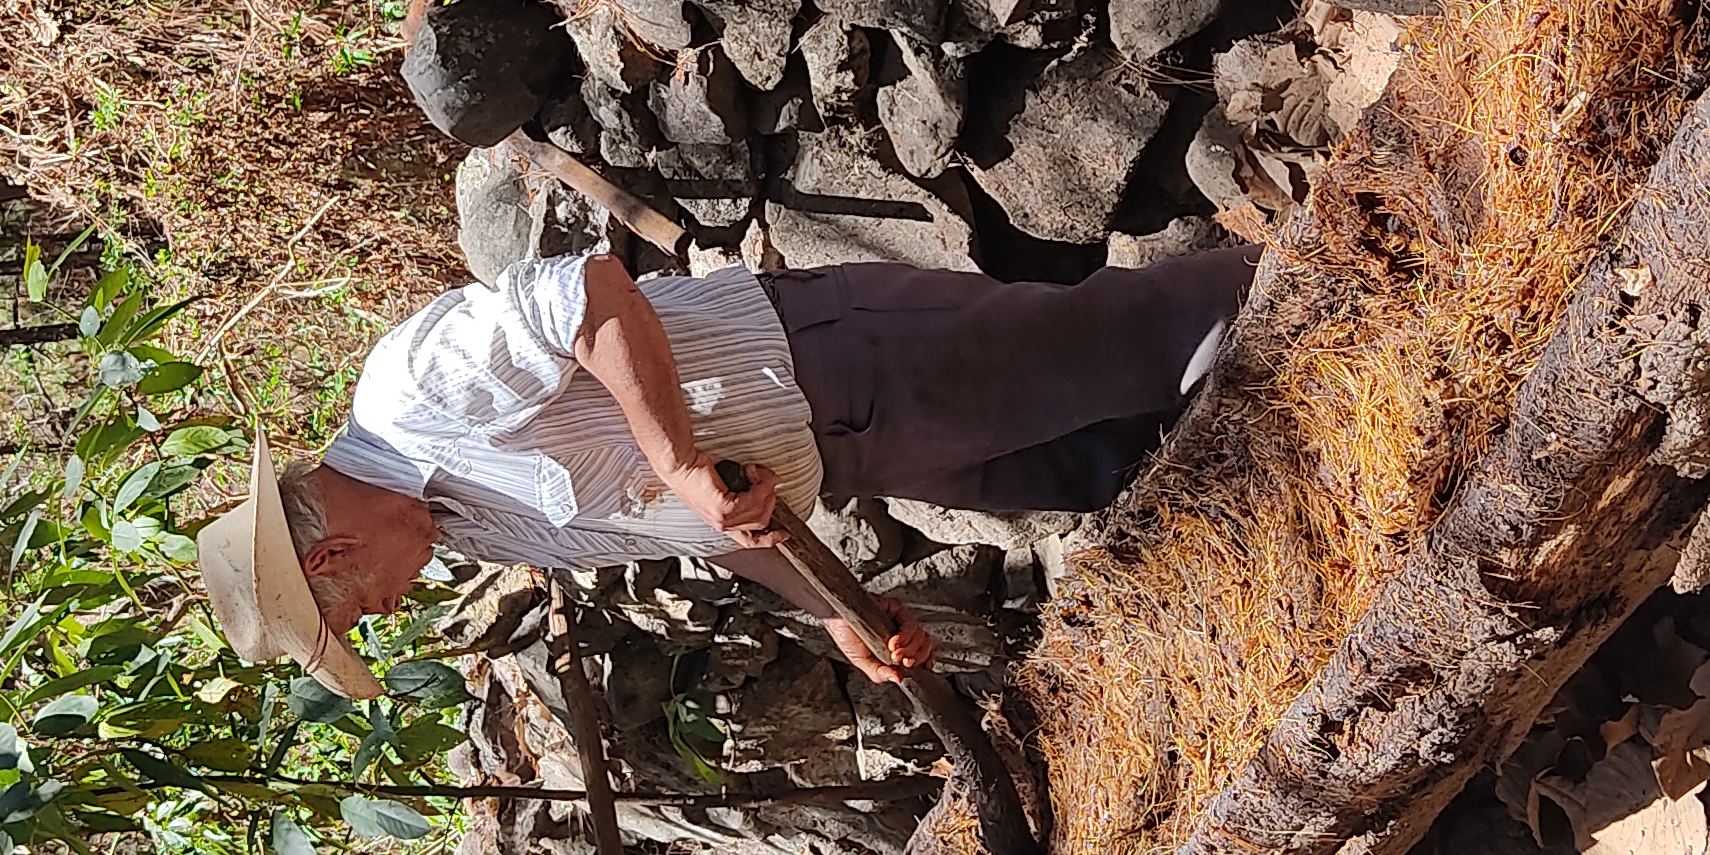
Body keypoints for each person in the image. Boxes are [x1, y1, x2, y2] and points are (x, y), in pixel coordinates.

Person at [193, 242, 1256, 695]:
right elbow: (704, 524)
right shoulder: (473, 531)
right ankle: (1328, 424)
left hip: (835, 355)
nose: (387, 608)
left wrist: (676, 454)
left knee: (1135, 342)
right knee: (1099, 466)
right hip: (858, 453)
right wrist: (829, 604)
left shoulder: (409, 396)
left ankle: (1364, 273)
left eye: (360, 611)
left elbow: (593, 296)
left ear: (329, 551)